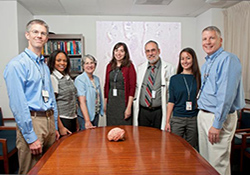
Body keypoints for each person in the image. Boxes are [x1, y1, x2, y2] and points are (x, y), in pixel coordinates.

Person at [4, 19, 60, 174]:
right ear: (27, 35)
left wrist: (54, 126)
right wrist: (30, 136)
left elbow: (50, 97)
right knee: (31, 170)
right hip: (32, 122)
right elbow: (18, 104)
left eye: (43, 33)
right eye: (35, 32)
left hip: (48, 122)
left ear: (47, 38)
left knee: (48, 168)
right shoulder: (17, 65)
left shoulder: (44, 66)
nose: (39, 36)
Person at [197, 26, 245, 175]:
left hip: (216, 118)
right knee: (205, 161)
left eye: (212, 38)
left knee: (217, 163)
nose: (208, 42)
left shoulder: (228, 59)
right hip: (204, 115)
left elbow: (226, 95)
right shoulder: (207, 63)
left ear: (220, 40)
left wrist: (217, 124)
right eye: (205, 39)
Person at [133, 40, 175, 130]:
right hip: (143, 111)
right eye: (148, 51)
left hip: (159, 111)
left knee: (159, 139)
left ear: (159, 51)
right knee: (143, 138)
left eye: (153, 50)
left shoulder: (169, 68)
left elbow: (171, 92)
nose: (150, 53)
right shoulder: (140, 68)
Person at [165, 48, 201, 148]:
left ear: (193, 60)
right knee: (175, 147)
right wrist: (167, 122)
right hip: (177, 119)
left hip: (193, 119)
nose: (185, 61)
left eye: (188, 58)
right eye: (182, 59)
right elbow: (171, 101)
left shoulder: (199, 78)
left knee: (192, 149)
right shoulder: (174, 79)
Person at [104, 42, 136, 126]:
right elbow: (106, 85)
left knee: (125, 130)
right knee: (111, 128)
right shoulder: (109, 66)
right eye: (116, 50)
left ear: (125, 53)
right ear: (113, 52)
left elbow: (132, 87)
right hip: (111, 103)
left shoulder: (130, 66)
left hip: (123, 102)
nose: (118, 53)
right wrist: (105, 104)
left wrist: (128, 107)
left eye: (121, 51)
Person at [47, 50, 78, 135]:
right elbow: (53, 105)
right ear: (53, 61)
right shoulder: (53, 78)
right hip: (62, 119)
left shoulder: (68, 77)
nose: (62, 63)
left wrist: (76, 120)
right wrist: (60, 127)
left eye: (65, 61)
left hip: (72, 118)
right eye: (59, 60)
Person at [75, 54, 103, 130]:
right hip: (85, 116)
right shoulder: (80, 80)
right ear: (83, 66)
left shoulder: (96, 79)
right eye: (87, 63)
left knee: (94, 139)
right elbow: (82, 102)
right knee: (86, 140)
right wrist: (87, 121)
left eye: (92, 63)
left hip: (95, 114)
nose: (89, 65)